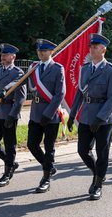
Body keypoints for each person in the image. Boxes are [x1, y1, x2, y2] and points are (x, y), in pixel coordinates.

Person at [67, 33, 112, 200]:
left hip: (104, 118)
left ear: (103, 49)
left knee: (102, 152)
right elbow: (80, 93)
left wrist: (101, 117)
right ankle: (98, 173)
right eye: (91, 46)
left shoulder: (111, 70)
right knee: (83, 150)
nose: (91, 49)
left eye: (95, 47)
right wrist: (72, 114)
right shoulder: (85, 68)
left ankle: (97, 184)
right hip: (86, 115)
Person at [0, 43, 27, 187]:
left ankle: (7, 173)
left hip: (9, 113)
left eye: (5, 55)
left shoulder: (18, 73)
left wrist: (13, 115)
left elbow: (21, 98)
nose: (2, 57)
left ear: (13, 56)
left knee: (9, 145)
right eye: (1, 55)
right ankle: (11, 163)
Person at [27, 38, 66, 193]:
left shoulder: (58, 68)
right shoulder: (33, 67)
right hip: (36, 112)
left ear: (51, 52)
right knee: (31, 144)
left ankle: (46, 178)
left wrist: (48, 113)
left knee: (49, 148)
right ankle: (49, 167)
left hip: (51, 114)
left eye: (43, 51)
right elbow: (22, 82)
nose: (40, 53)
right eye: (39, 51)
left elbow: (60, 93)